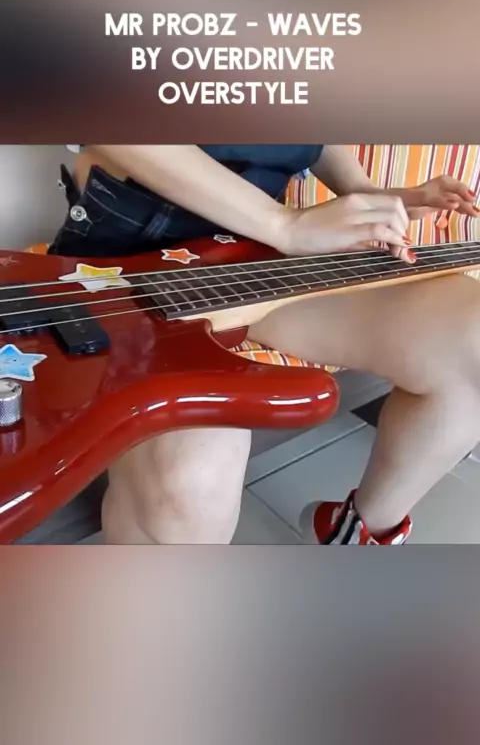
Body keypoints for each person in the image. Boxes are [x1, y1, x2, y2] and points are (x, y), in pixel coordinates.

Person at [49, 144, 480, 545]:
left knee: (471, 337)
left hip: (254, 258)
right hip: (136, 270)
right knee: (192, 481)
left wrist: (365, 192)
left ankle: (354, 533)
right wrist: (283, 223)